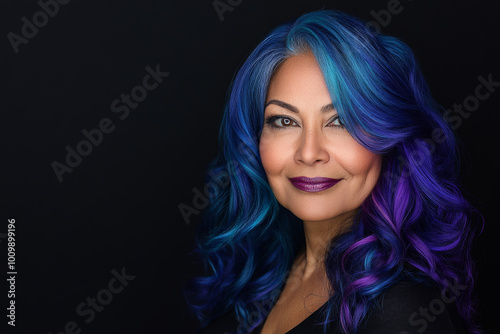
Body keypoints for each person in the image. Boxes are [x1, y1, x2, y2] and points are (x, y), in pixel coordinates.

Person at [184, 9, 483, 334]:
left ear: (390, 138)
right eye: (284, 121)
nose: (309, 153)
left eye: (340, 121)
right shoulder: (259, 272)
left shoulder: (403, 310)